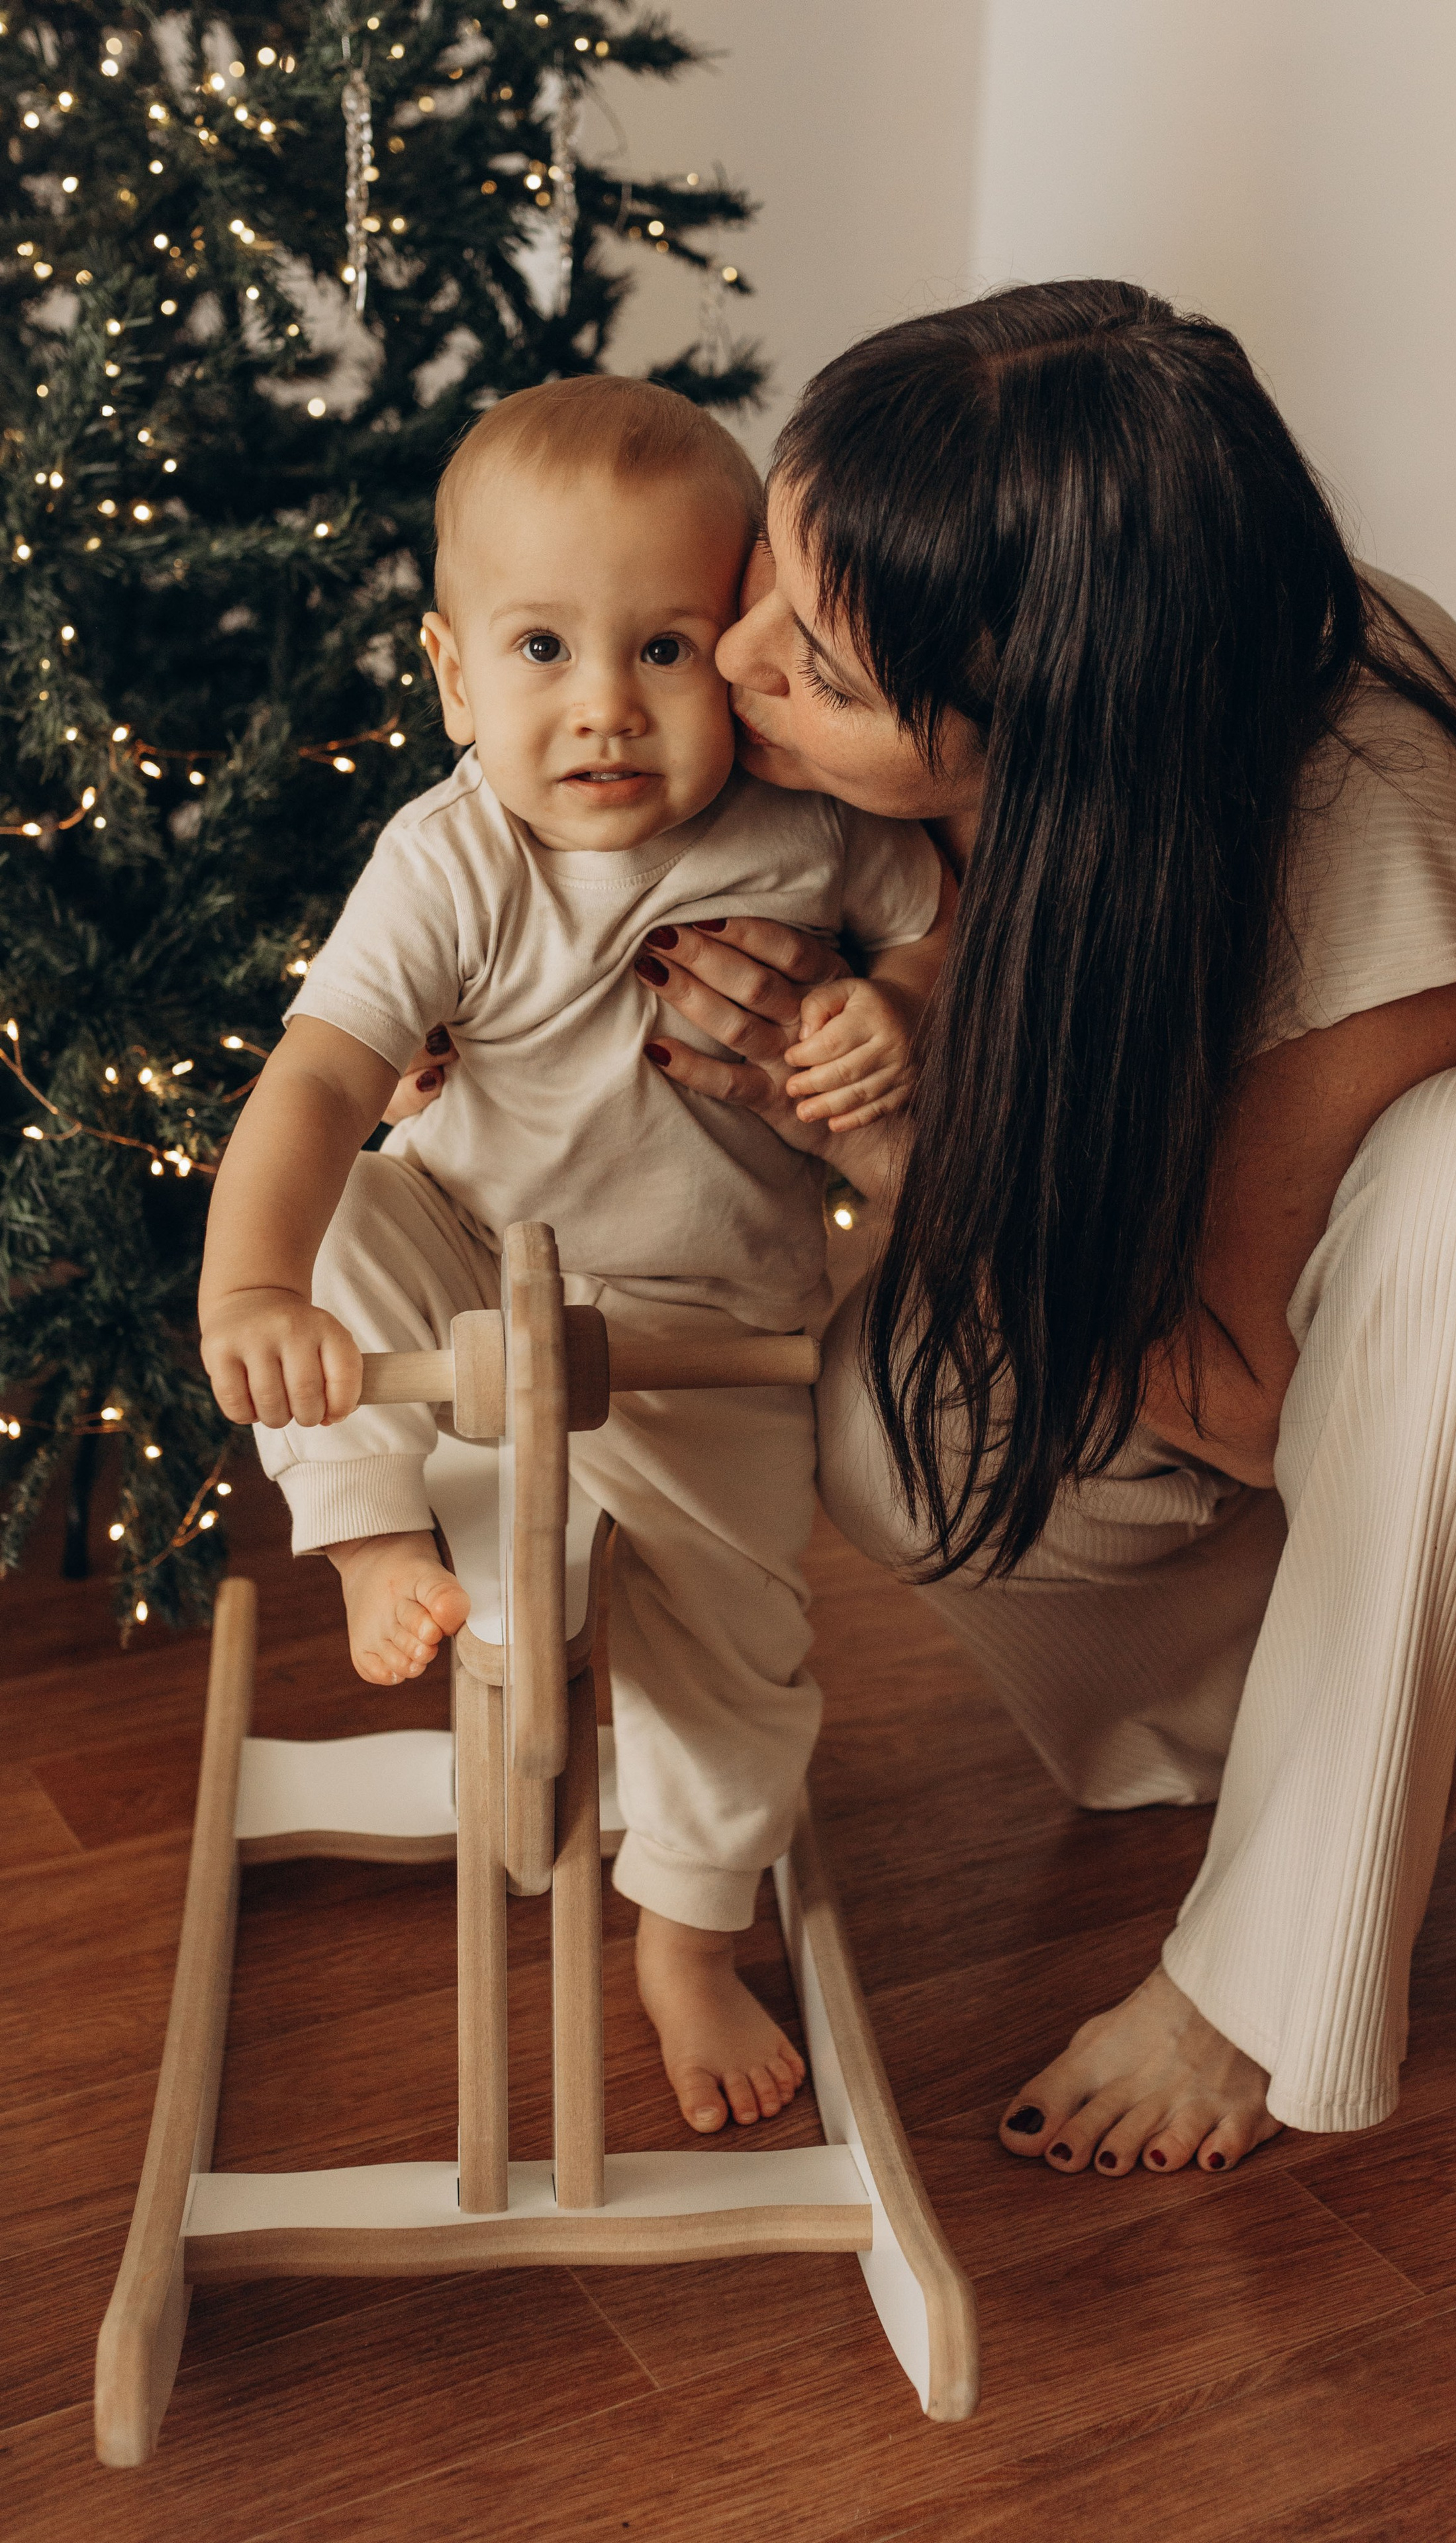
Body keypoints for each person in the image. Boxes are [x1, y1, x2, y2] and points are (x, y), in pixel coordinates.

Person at [622, 279, 1456, 2177]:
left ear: (1045, 749)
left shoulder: (1375, 845)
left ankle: (1260, 1977)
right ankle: (1251, 1741)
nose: (747, 654)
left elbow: (1264, 1402)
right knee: (903, 1417)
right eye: (776, 568)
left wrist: (910, 1120)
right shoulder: (1015, 669)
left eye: (833, 677)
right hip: (1246, 1283)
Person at [196, 376, 949, 2136]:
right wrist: (254, 1287)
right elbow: (318, 1076)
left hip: (712, 1330)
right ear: (455, 674)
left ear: (744, 647)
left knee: (738, 1662)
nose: (605, 707)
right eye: (543, 648)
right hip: (471, 1283)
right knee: (364, 1207)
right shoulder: (448, 862)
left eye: (668, 647)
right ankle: (378, 1539)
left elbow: (937, 918)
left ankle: (686, 1939)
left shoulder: (804, 829)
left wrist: (891, 1008)